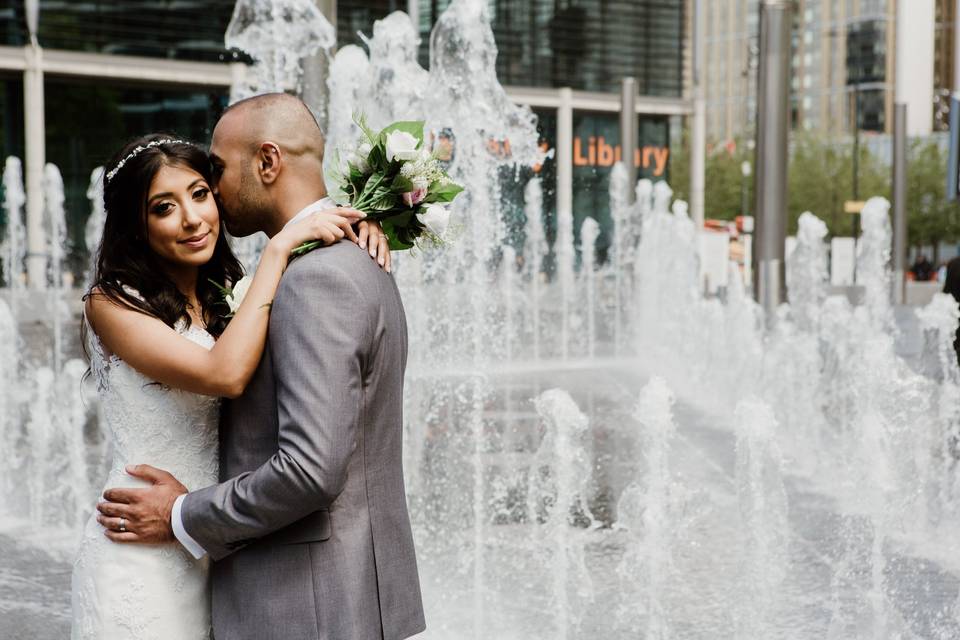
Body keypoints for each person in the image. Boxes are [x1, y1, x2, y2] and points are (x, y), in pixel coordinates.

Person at [95, 94, 426, 640]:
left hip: (301, 594)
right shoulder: (342, 262)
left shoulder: (314, 277)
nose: (211, 200)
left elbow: (311, 470)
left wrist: (181, 514)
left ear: (268, 163)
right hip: (234, 571)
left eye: (211, 179)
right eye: (164, 206)